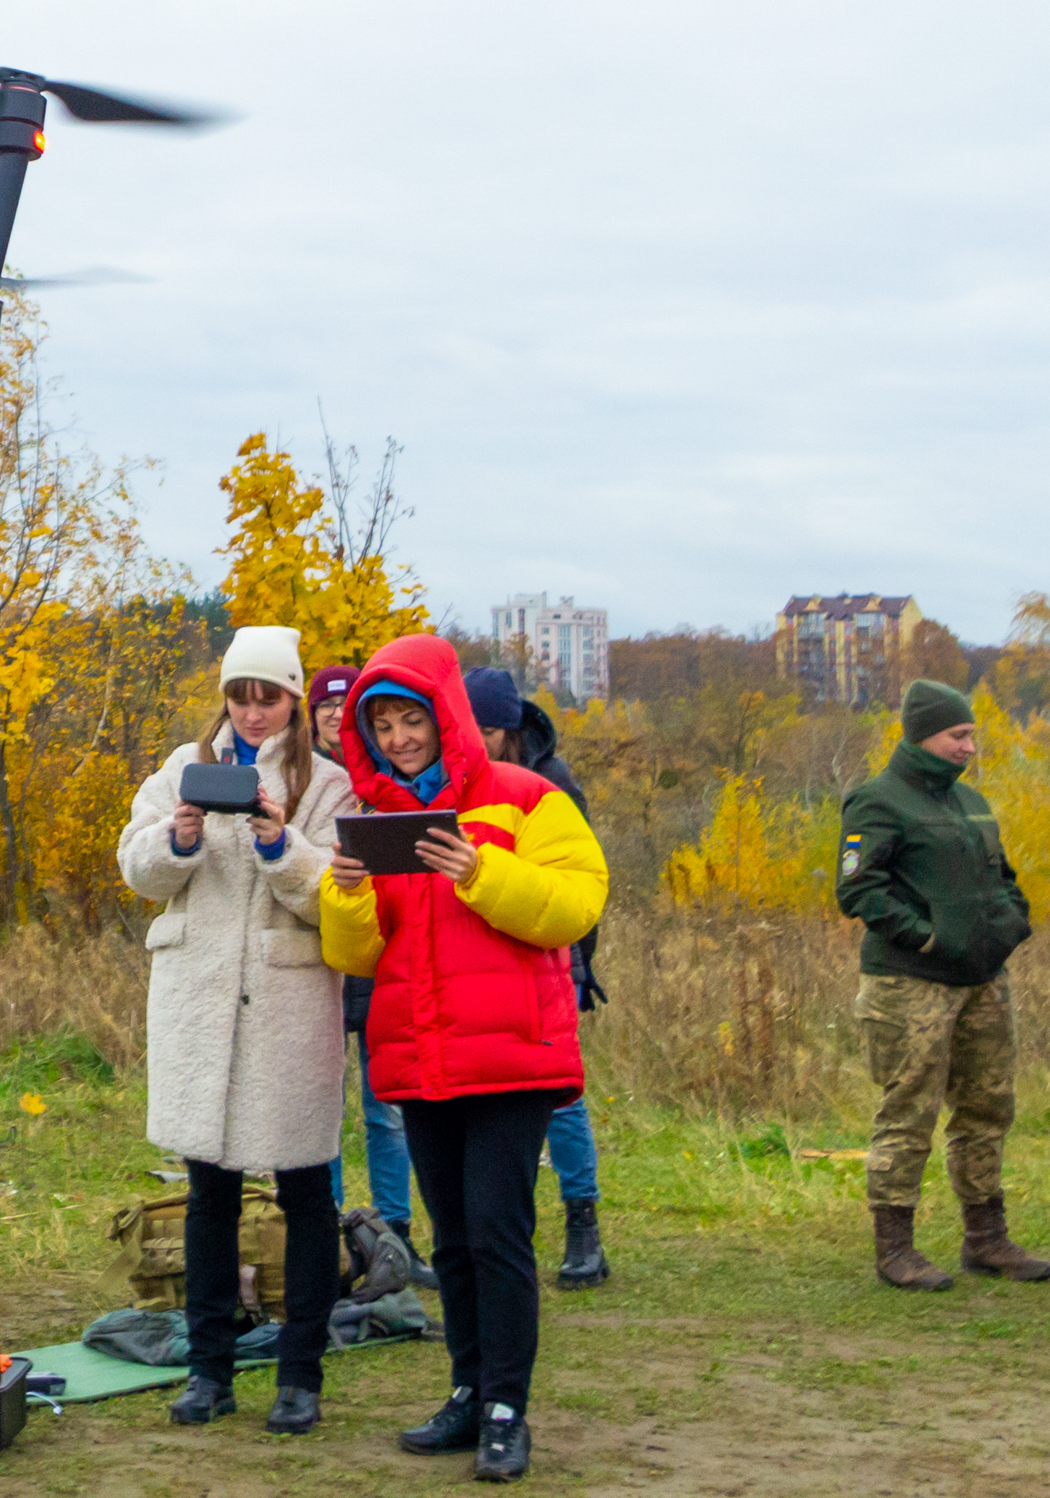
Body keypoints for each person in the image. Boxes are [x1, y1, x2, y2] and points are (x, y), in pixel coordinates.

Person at [320, 634, 608, 1483]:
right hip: (421, 1057)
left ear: (446, 716)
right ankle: (466, 1393)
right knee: (450, 1243)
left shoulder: (528, 798)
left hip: (513, 1059)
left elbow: (575, 907)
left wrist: (482, 872)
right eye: (384, 727)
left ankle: (507, 1411)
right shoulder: (379, 827)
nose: (400, 739)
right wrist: (342, 892)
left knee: (498, 1234)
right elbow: (363, 956)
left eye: (413, 720)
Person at [118, 626, 357, 1435]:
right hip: (197, 1003)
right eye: (241, 694)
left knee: (306, 1193)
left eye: (270, 696)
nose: (254, 712)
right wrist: (181, 834)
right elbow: (137, 868)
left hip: (289, 1007)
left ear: (293, 699)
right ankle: (207, 1371)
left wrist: (278, 841)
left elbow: (336, 898)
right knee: (208, 1193)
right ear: (223, 696)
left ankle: (300, 1376)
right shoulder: (182, 769)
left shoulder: (327, 785)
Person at [834, 679, 1050, 1290]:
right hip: (910, 984)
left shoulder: (971, 802)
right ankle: (894, 1249)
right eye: (960, 735)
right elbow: (856, 888)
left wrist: (1012, 923)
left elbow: (1003, 877)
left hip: (984, 981)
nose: (970, 747)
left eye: (972, 735)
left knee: (988, 1108)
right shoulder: (876, 801)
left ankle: (986, 1239)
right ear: (925, 734)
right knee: (908, 1112)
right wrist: (927, 937)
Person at [465, 667, 612, 1292]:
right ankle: (507, 1232)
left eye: (485, 729)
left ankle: (584, 1224)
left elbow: (581, 883)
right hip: (488, 963)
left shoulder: (551, 785)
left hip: (554, 960)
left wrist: (580, 967)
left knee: (562, 1099)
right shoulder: (466, 783)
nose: (474, 739)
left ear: (507, 730)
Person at [309, 665, 430, 1284]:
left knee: (386, 1110)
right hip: (323, 969)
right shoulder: (307, 783)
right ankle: (326, 1236)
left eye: (343, 708)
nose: (334, 717)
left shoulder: (390, 784)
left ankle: (396, 1235)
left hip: (386, 969)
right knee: (323, 1110)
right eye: (324, 708)